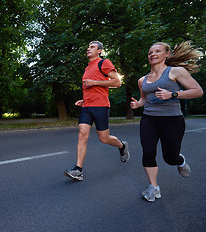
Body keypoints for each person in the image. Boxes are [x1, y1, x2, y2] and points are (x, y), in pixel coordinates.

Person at [130, 41, 204, 202]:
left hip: (172, 120)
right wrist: (138, 104)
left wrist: (173, 94)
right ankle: (154, 188)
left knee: (170, 158)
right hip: (149, 119)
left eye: (157, 51)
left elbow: (198, 91)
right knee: (148, 152)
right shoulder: (143, 80)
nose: (153, 54)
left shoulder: (176, 71)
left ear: (166, 54)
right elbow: (144, 99)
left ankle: (180, 161)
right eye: (150, 52)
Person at [64, 41, 130, 181]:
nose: (88, 48)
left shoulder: (104, 63)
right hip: (87, 106)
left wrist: (95, 82)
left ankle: (122, 145)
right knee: (82, 135)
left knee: (104, 139)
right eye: (88, 46)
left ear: (99, 50)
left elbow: (117, 82)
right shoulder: (87, 68)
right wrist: (84, 99)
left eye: (92, 47)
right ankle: (78, 170)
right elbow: (89, 88)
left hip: (101, 106)